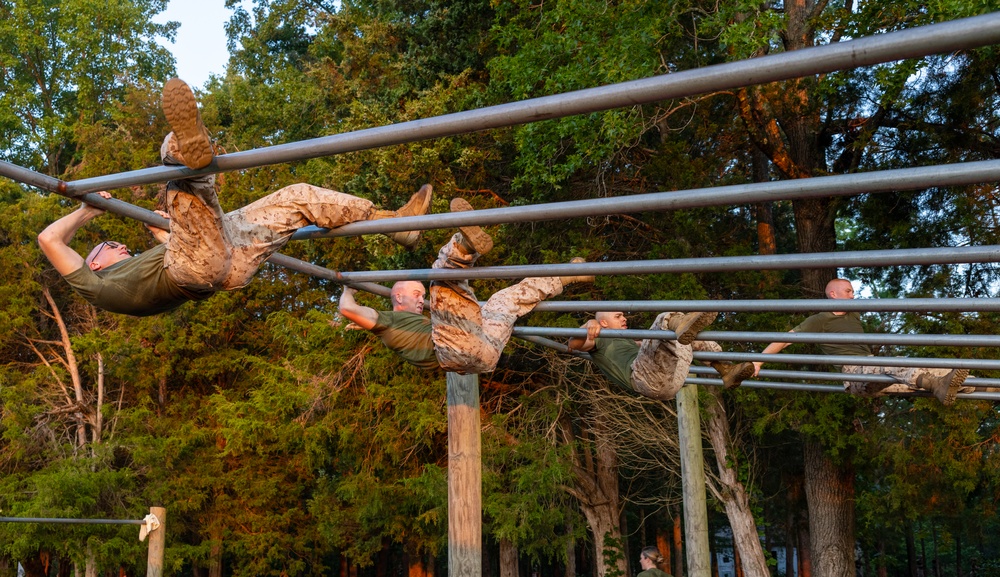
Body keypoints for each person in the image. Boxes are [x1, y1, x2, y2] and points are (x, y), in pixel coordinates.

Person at [37, 78, 432, 317]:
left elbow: (184, 244)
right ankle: (184, 148)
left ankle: (394, 225)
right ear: (93, 263)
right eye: (109, 245)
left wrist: (162, 230)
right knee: (183, 181)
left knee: (296, 198)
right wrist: (88, 210)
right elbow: (49, 240)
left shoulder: (136, 276)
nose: (119, 242)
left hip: (224, 265)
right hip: (198, 267)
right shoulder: (97, 287)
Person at [338, 198, 593, 374]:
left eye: (421, 295)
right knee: (441, 278)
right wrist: (348, 286)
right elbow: (347, 309)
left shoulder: (423, 323)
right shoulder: (388, 322)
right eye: (415, 294)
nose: (420, 300)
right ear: (397, 296)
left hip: (485, 354)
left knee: (505, 302)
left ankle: (567, 276)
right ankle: (465, 245)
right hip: (453, 350)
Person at [752, 278, 969, 405]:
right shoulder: (820, 319)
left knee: (937, 370)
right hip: (854, 374)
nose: (853, 296)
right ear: (833, 295)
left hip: (880, 374)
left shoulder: (853, 314)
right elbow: (785, 339)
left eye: (853, 292)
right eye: (848, 291)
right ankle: (936, 385)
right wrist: (758, 362)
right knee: (897, 362)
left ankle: (981, 387)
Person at [566, 309, 755, 400]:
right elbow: (572, 344)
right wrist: (588, 324)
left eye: (623, 315)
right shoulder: (598, 339)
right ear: (604, 323)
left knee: (685, 338)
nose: (624, 318)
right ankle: (679, 321)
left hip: (671, 383)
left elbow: (650, 346)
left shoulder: (629, 340)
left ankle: (726, 370)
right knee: (662, 321)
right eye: (618, 316)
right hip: (643, 378)